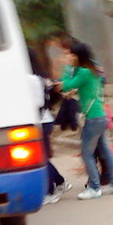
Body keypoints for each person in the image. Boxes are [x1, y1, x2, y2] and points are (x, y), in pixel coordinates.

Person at [58, 41, 113, 200]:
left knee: (86, 154)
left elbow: (66, 85)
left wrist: (67, 68)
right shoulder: (93, 70)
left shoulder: (83, 72)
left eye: (71, 54)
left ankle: (94, 188)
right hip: (101, 115)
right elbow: (84, 89)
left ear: (78, 56)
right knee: (106, 151)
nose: (69, 57)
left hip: (93, 118)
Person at [28, 47, 70, 205]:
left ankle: (51, 190)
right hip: (45, 119)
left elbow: (36, 103)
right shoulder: (40, 77)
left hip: (38, 122)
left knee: (41, 158)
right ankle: (59, 182)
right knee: (42, 157)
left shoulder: (29, 79)